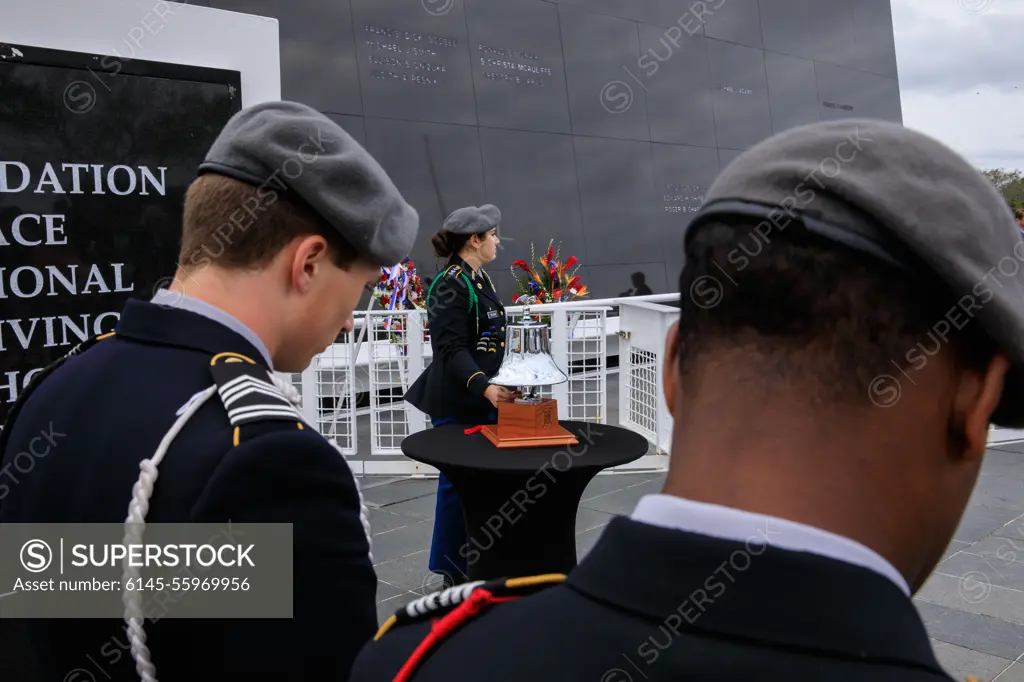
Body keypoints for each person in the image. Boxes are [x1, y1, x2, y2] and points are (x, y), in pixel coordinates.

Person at [349, 119, 1024, 682]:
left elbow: (250, 604)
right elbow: (453, 346)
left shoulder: (416, 663)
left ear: (672, 371)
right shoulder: (449, 289)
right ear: (976, 408)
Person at [0, 101, 419, 681]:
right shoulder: (270, 463)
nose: (352, 319)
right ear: (310, 263)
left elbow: (61, 597)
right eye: (364, 287)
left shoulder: (57, 385)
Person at [403, 205, 514, 589]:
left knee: (484, 481)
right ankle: (453, 570)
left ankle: (482, 559)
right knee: (459, 483)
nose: (497, 241)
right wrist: (484, 385)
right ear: (474, 239)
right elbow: (449, 349)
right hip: (458, 399)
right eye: (493, 235)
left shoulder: (478, 278)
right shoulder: (451, 282)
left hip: (481, 395)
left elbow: (486, 338)